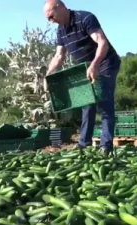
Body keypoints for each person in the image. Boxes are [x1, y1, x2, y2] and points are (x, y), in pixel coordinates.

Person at [43, 0, 121, 154]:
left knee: (104, 101)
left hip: (105, 62)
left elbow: (102, 43)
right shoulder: (61, 30)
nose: (50, 21)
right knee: (87, 104)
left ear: (61, 7)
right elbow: (59, 55)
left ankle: (106, 146)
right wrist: (48, 75)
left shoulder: (85, 18)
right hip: (86, 68)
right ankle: (84, 143)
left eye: (51, 16)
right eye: (48, 18)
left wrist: (94, 65)